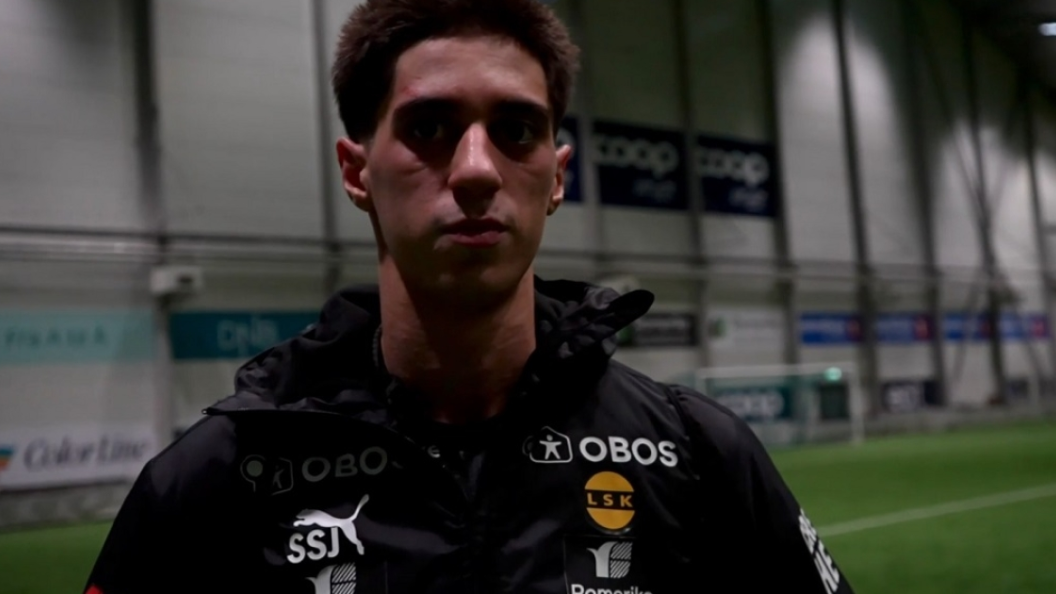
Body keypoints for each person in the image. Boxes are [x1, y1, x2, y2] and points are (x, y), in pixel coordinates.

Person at [85, 0, 853, 592]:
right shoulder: (222, 478)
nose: (478, 169)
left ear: (557, 177)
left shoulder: (697, 456)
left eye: (516, 129)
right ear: (356, 172)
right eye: (429, 127)